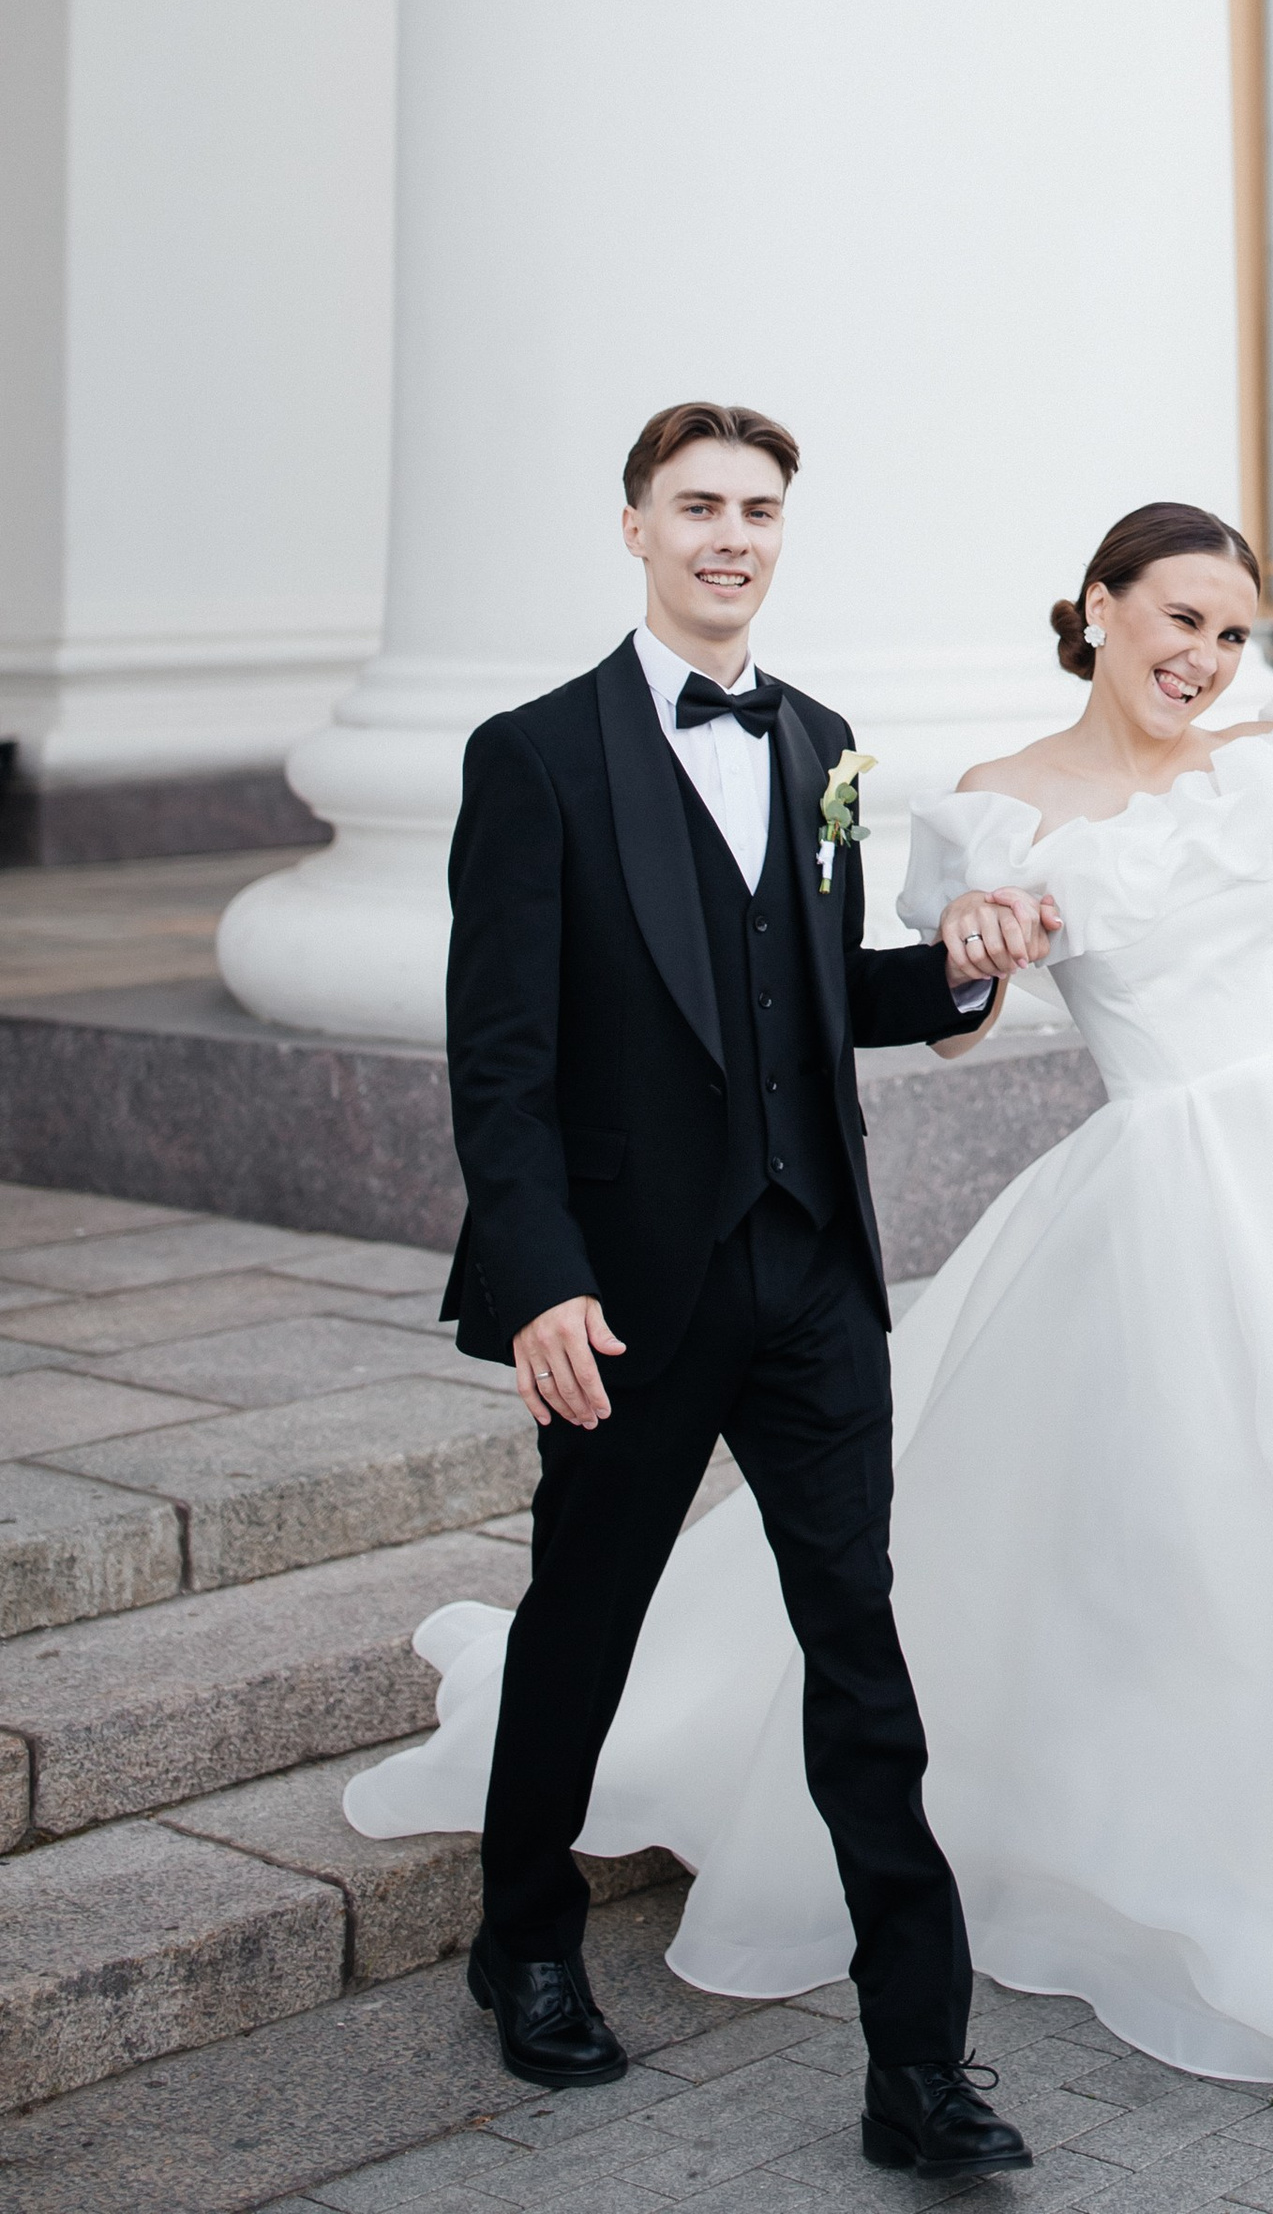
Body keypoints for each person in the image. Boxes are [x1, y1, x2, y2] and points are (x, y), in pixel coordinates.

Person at [359, 492, 1273, 2155]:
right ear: (1099, 609)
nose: (1206, 659)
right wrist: (976, 959)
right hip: (1156, 1213)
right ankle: (565, 1924)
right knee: (1167, 1556)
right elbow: (928, 1022)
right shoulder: (988, 808)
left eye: (1232, 632)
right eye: (1179, 622)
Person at [351, 401, 1045, 2177]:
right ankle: (521, 1938)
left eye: (758, 510)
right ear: (640, 529)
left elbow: (810, 1001)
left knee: (859, 1656)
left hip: (813, 1273)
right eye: (699, 508)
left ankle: (918, 2062)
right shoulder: (534, 757)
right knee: (579, 1627)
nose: (731, 536)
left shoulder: (816, 738)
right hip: (625, 1289)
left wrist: (954, 979)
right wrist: (535, 1284)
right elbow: (496, 1059)